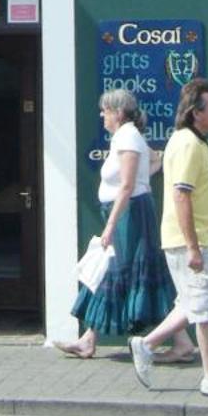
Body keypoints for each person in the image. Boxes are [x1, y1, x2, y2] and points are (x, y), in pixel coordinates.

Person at [130, 78, 208, 400]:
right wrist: (194, 246)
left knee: (193, 304)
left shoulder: (201, 144)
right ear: (196, 113)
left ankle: (146, 344)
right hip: (189, 241)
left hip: (201, 237)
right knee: (207, 309)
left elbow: (204, 196)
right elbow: (181, 196)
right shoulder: (186, 143)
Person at [55, 88, 176, 359]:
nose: (102, 115)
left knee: (125, 269)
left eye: (105, 110)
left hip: (130, 215)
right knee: (115, 271)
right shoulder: (126, 137)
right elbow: (154, 161)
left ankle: (180, 341)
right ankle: (89, 338)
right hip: (126, 212)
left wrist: (110, 225)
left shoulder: (128, 138)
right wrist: (145, 177)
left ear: (118, 113)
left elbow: (127, 186)